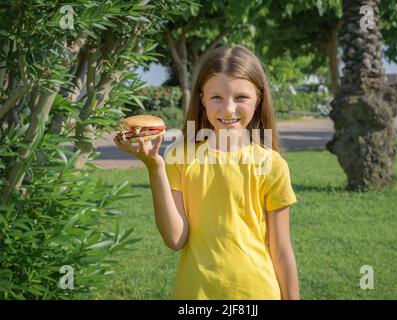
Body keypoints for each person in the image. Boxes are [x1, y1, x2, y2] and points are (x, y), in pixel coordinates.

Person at [113, 45, 299, 300]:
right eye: (217, 97)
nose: (228, 109)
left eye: (241, 97)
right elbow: (175, 239)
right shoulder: (180, 158)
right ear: (201, 98)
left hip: (258, 293)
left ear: (259, 98)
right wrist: (154, 167)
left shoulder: (272, 164)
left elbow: (281, 251)